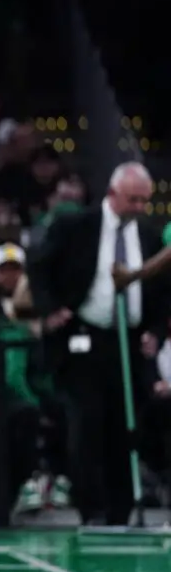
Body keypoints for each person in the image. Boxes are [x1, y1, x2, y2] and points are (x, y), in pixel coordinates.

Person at [28, 161, 167, 525]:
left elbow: (161, 291)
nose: (140, 207)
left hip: (129, 344)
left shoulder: (149, 236)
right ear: (112, 193)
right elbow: (39, 266)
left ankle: (122, 513)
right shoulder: (76, 225)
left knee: (126, 428)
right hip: (84, 340)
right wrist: (51, 309)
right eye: (133, 200)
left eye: (144, 201)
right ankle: (93, 510)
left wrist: (155, 332)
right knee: (86, 426)